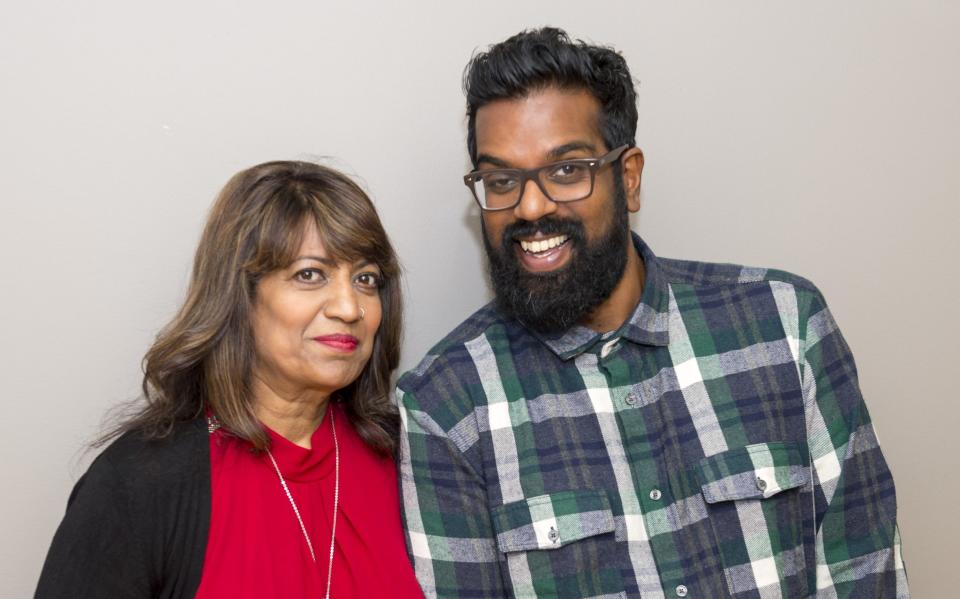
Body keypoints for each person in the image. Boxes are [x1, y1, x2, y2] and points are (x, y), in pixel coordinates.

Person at [397, 28, 909, 598]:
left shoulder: (785, 327)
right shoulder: (443, 408)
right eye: (501, 179)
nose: (532, 205)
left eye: (567, 169)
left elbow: (865, 575)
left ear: (629, 176)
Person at [36, 161, 423, 598]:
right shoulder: (140, 483)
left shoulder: (412, 456)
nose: (349, 307)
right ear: (240, 295)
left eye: (365, 279)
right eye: (310, 274)